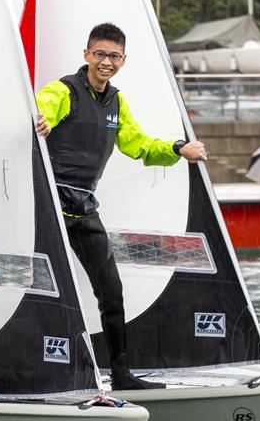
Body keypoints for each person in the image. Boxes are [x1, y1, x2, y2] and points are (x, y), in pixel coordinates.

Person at [34, 23, 207, 390]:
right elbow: (36, 112)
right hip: (47, 208)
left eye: (113, 56)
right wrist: (37, 122)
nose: (106, 62)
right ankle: (42, 371)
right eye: (99, 54)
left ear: (123, 60)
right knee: (47, 291)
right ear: (86, 55)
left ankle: (122, 374)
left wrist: (177, 148)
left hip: (82, 210)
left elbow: (137, 144)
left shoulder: (116, 102)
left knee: (111, 291)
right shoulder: (63, 91)